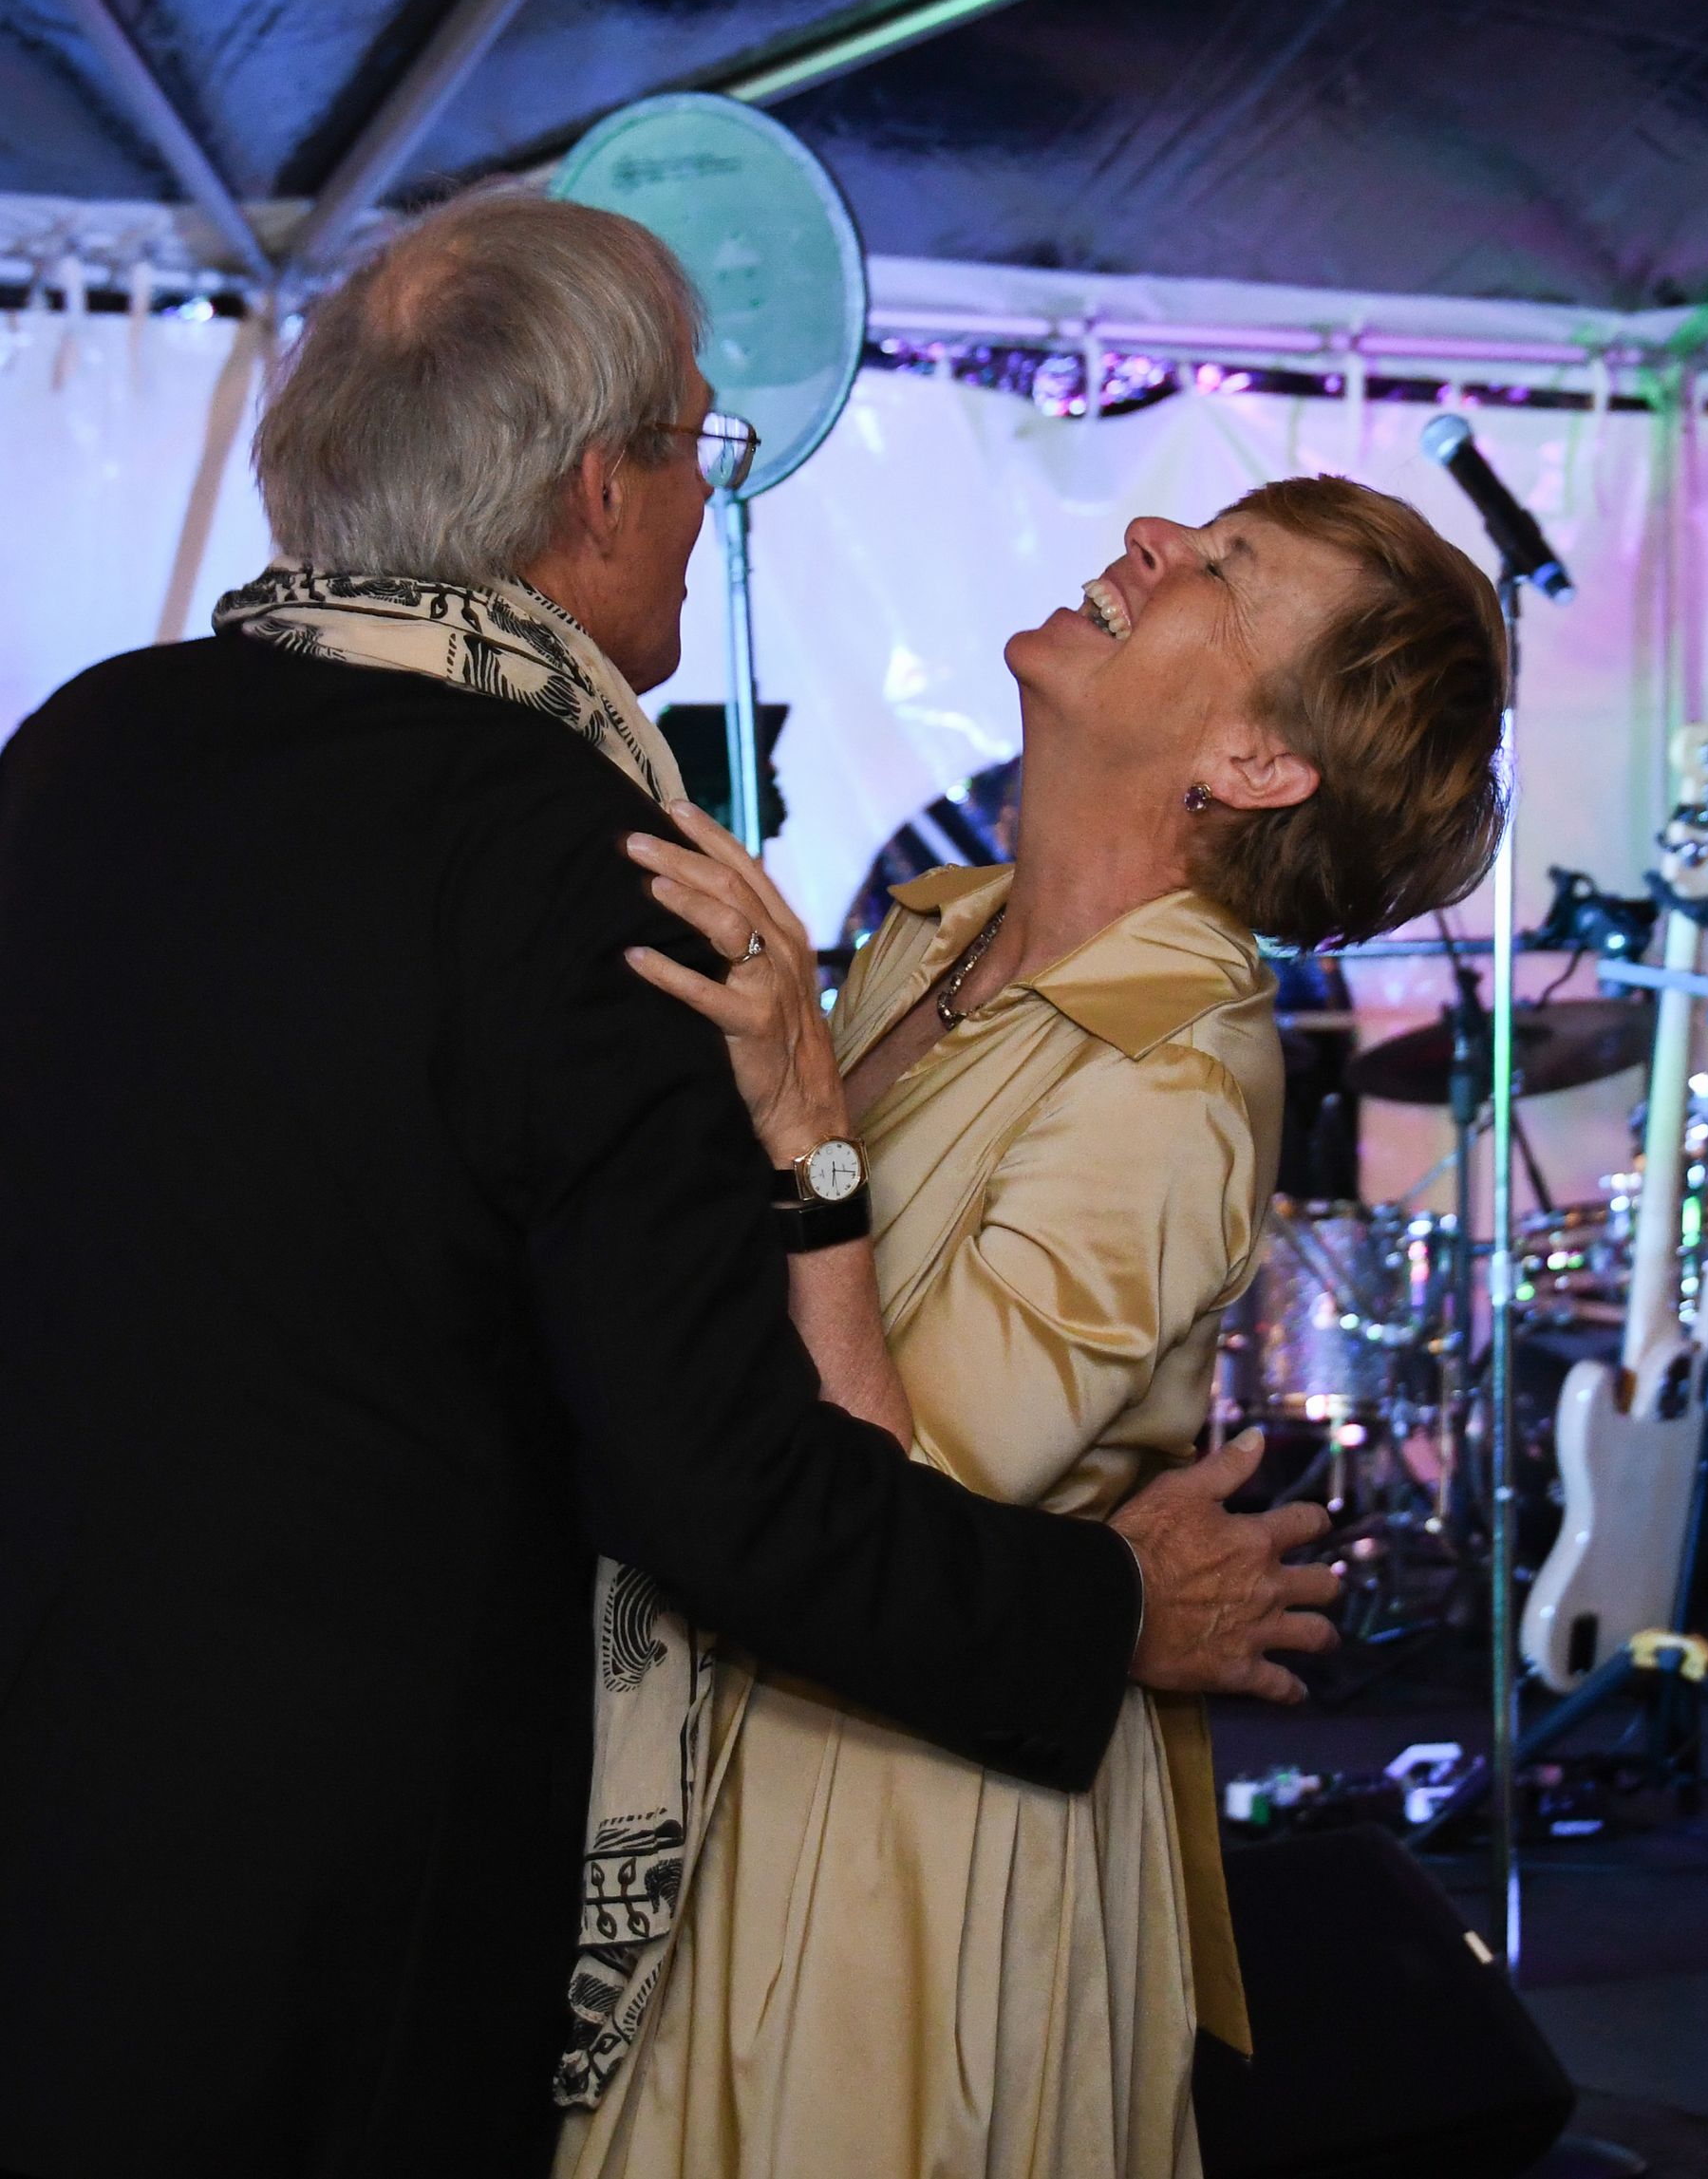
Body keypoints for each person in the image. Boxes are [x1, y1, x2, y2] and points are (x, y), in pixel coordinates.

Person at [0, 192, 1342, 2179]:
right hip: (346, 1900)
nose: (712, 502)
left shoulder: (86, 746)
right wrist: (1111, 1611)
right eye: (700, 445)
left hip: (56, 1799)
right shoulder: (586, 863)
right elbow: (723, 1493)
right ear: (599, 489)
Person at [558, 476, 1509, 2177]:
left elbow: (886, 1510)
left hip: (894, 1832)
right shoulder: (946, 928)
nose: (1151, 537)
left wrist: (806, 1125)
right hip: (737, 1738)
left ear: (1258, 764)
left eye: (1223, 568)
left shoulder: (1175, 1075)